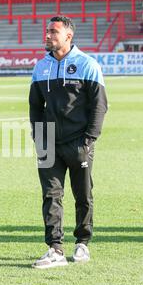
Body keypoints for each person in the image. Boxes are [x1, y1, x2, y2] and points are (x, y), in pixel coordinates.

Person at [29, 16, 108, 269]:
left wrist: (89, 139)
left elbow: (99, 105)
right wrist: (38, 135)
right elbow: (34, 106)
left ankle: (82, 242)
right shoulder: (41, 66)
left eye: (54, 31)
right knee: (51, 195)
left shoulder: (87, 64)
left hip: (78, 143)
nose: (48, 35)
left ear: (68, 36)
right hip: (48, 143)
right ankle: (55, 248)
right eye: (47, 31)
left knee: (82, 194)